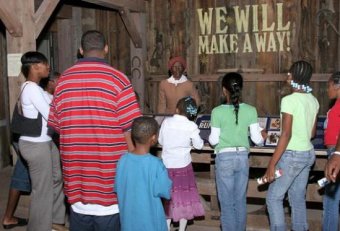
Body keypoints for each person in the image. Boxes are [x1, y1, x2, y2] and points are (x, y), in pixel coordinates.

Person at [48, 30, 141, 231]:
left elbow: (54, 125)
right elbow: (132, 129)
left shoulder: (63, 81)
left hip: (76, 180)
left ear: (81, 51)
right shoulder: (119, 80)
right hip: (108, 183)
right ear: (106, 49)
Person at [263, 61, 319, 231]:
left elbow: (286, 135)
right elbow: (312, 133)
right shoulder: (313, 100)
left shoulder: (289, 100)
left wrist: (271, 164)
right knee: (297, 198)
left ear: (293, 77)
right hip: (308, 154)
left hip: (292, 156)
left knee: (273, 198)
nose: (287, 75)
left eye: (289, 73)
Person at [208, 72, 266, 231]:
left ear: (224, 90)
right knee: (240, 201)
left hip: (224, 158)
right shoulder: (251, 110)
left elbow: (213, 140)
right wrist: (263, 135)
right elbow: (257, 140)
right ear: (240, 89)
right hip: (242, 158)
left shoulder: (217, 111)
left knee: (226, 204)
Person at [17, 51, 66, 231]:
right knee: (42, 189)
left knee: (56, 179)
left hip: (45, 142)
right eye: (45, 64)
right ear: (36, 66)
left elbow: (53, 102)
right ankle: (38, 227)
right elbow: (51, 115)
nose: (48, 67)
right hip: (35, 145)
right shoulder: (30, 88)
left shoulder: (37, 89)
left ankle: (53, 221)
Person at [115, 116, 172, 231]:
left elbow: (117, 187)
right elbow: (165, 192)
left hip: (128, 224)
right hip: (151, 224)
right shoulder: (156, 165)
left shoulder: (122, 161)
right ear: (154, 138)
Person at [158, 97, 205, 231]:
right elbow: (199, 145)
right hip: (183, 167)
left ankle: (166, 227)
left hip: (166, 167)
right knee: (184, 199)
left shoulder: (166, 122)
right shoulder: (191, 126)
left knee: (168, 198)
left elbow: (161, 141)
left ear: (177, 109)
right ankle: (182, 229)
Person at [322, 71, 340, 231]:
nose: (327, 89)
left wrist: (337, 154)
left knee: (331, 200)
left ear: (336, 85)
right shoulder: (336, 105)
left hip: (336, 153)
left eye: (328, 86)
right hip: (333, 151)